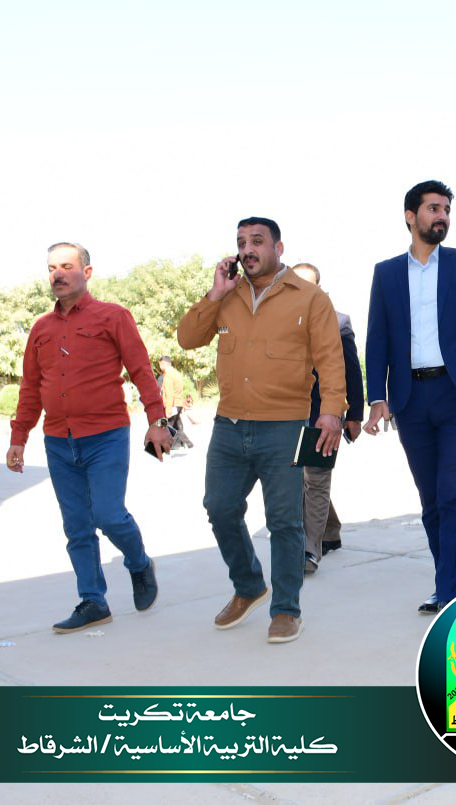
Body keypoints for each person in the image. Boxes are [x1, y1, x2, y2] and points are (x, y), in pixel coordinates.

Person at [178, 217, 346, 644]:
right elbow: (188, 338)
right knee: (219, 508)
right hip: (229, 425)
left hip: (285, 426)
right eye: (241, 242)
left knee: (284, 521)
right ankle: (249, 586)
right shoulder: (228, 296)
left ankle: (286, 609)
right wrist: (215, 294)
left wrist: (331, 413)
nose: (247, 249)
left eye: (257, 241)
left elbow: (331, 359)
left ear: (278, 248)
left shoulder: (310, 298)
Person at [6, 243, 168, 633]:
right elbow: (31, 387)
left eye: (66, 266)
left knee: (108, 515)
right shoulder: (41, 329)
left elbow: (141, 371)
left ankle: (139, 563)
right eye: (51, 268)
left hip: (106, 435)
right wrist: (18, 437)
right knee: (77, 526)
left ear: (87, 272)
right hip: (58, 441)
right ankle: (93, 600)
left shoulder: (113, 316)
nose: (57, 274)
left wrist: (157, 420)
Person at [364, 180, 456, 615]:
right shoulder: (386, 273)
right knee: (430, 499)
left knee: (452, 493)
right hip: (409, 399)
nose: (442, 216)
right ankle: (447, 579)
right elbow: (377, 339)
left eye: (446, 210)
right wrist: (376, 396)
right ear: (411, 216)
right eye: (433, 209)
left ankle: (450, 591)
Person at [292, 262, 365, 574]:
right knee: (299, 480)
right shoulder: (276, 320)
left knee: (317, 480)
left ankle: (308, 551)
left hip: (323, 415)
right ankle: (330, 531)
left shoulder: (338, 321)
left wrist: (355, 415)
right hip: (286, 415)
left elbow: (351, 369)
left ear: (319, 289)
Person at [157, 356, 193, 449]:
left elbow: (169, 394)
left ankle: (164, 447)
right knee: (177, 426)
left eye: (160, 365)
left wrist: (168, 410)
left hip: (172, 404)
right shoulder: (177, 373)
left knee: (166, 426)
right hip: (178, 404)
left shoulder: (168, 376)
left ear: (163, 364)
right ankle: (189, 444)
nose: (160, 367)